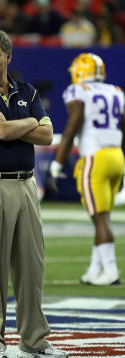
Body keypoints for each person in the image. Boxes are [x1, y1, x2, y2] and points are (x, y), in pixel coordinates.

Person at [0, 29, 68, 358]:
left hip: (25, 185)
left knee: (31, 267)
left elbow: (48, 136)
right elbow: (3, 131)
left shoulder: (26, 90)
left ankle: (34, 340)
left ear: (9, 56)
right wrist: (30, 120)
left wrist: (17, 122)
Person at [48, 53, 125, 286]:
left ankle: (111, 270)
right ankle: (95, 269)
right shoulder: (116, 92)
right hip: (116, 156)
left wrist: (57, 163)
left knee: (99, 218)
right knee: (101, 217)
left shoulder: (79, 91)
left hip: (95, 158)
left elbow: (72, 127)